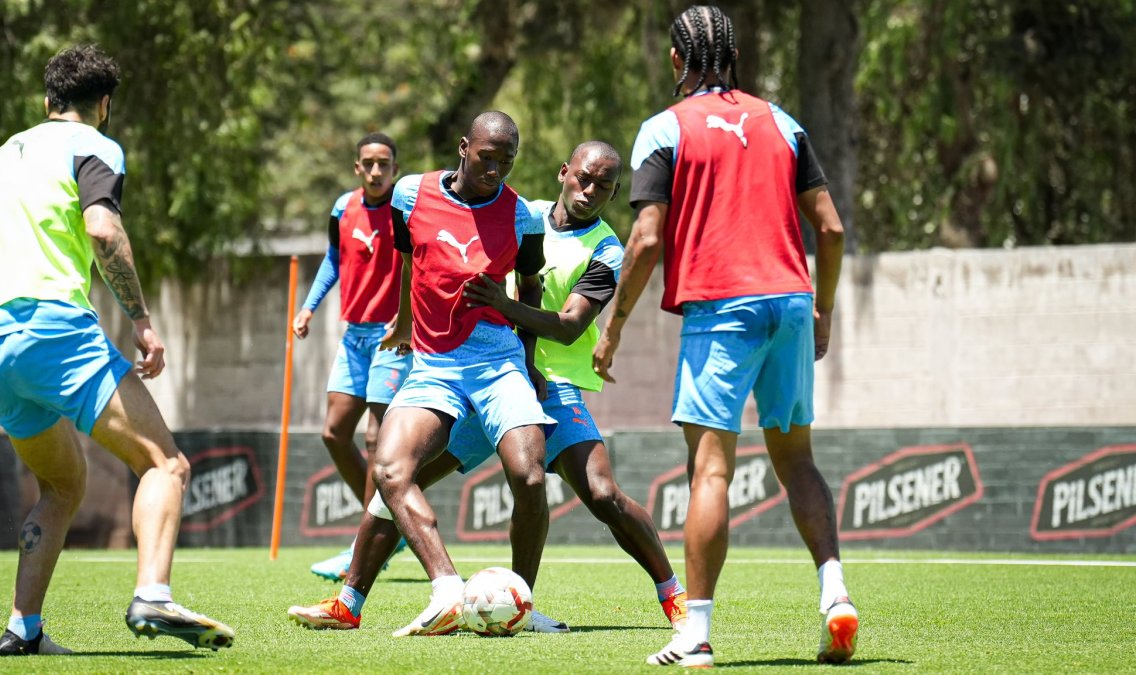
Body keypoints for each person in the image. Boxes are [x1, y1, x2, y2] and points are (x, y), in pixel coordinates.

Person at [285, 141, 688, 635]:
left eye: (604, 186)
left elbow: (566, 326)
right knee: (396, 482)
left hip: (548, 384)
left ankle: (671, 596)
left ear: (614, 192)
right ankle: (349, 601)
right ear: (564, 173)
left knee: (601, 493)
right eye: (584, 178)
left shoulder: (605, 248)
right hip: (478, 374)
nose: (590, 191)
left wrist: (503, 305)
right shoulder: (523, 215)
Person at [0, 45, 234, 656]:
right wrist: (142, 319)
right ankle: (153, 591)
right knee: (165, 465)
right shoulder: (97, 147)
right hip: (55, 331)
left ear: (46, 100)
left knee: (60, 485)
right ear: (103, 105)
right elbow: (103, 229)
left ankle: (23, 628)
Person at [591, 6, 856, 667]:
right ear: (733, 58)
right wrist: (820, 309)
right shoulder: (783, 122)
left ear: (677, 62)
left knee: (710, 468)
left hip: (723, 310)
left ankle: (696, 634)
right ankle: (835, 593)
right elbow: (831, 229)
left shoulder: (663, 129)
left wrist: (613, 324)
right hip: (791, 303)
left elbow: (647, 237)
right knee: (797, 459)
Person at [369, 110, 552, 637]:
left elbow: (531, 288)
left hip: (499, 362)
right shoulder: (410, 195)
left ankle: (522, 601)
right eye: (486, 158)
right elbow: (410, 262)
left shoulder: (524, 217)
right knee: (389, 470)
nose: (495, 170)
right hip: (434, 363)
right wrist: (404, 324)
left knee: (530, 476)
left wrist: (530, 358)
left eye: (507, 160)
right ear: (463, 147)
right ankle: (446, 589)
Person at [292, 132, 412, 581]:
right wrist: (309, 306)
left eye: (385, 163)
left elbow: (420, 265)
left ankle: (364, 545)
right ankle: (388, 522)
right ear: (357, 168)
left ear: (395, 168)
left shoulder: (405, 209)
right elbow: (332, 259)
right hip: (353, 338)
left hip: (393, 339)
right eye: (369, 163)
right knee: (333, 432)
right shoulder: (343, 208)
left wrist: (407, 319)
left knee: (375, 439)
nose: (377, 171)